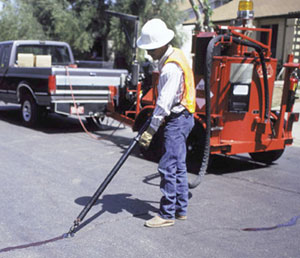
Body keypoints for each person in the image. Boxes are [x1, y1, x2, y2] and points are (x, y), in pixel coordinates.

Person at [136, 18, 196, 228]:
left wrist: (151, 130)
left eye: (151, 49)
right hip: (184, 116)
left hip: (177, 119)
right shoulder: (177, 54)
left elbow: (163, 103)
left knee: (167, 166)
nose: (149, 53)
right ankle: (181, 209)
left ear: (161, 45)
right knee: (178, 165)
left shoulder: (171, 69)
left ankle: (167, 213)